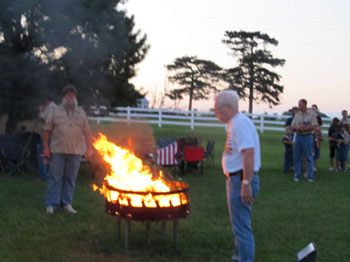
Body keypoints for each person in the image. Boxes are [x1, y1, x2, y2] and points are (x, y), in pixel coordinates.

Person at [214, 90, 260, 262]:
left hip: (241, 180)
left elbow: (249, 152)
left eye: (218, 109)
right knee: (239, 226)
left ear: (229, 107)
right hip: (237, 180)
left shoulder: (239, 124)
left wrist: (245, 183)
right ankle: (239, 258)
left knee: (242, 228)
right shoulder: (235, 123)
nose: (216, 113)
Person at [43, 84, 93, 214]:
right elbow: (47, 130)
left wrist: (89, 149)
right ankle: (51, 204)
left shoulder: (81, 113)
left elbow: (87, 132)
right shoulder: (55, 111)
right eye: (68, 95)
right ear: (64, 97)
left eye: (73, 95)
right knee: (55, 178)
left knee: (70, 179)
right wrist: (46, 148)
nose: (70, 97)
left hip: (75, 152)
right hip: (57, 150)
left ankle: (67, 203)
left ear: (75, 97)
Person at [291, 99, 318, 182]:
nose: (299, 106)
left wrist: (304, 128)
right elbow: (292, 125)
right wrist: (297, 128)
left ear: (305, 105)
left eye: (300, 105)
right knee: (297, 157)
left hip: (308, 137)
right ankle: (297, 175)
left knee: (309, 157)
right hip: (299, 137)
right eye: (298, 105)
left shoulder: (312, 114)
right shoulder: (297, 115)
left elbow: (314, 125)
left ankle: (310, 176)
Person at [37, 96, 56, 181]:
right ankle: (50, 174)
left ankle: (43, 175)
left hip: (47, 133)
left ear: (46, 99)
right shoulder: (55, 107)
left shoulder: (50, 108)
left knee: (43, 154)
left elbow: (43, 119)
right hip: (53, 134)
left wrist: (40, 111)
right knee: (50, 154)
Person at [311, 104, 323, 171]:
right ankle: (310, 166)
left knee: (317, 151)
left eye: (314, 108)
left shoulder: (318, 118)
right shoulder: (309, 117)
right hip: (311, 135)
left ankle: (315, 166)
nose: (313, 110)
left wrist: (318, 132)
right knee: (311, 151)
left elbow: (320, 127)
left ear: (316, 109)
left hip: (317, 136)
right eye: (312, 108)